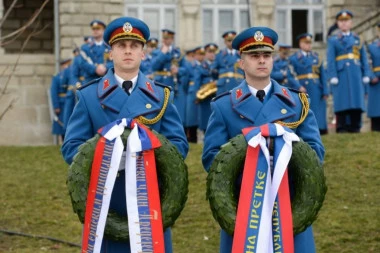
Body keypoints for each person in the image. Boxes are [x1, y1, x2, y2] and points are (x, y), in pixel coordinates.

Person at [61, 16, 188, 253]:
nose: (128, 51)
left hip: (149, 197)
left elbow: (179, 145)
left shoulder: (161, 96)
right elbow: (71, 148)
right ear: (111, 53)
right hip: (107, 200)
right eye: (121, 46)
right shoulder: (90, 96)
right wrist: (108, 157)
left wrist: (148, 155)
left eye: (134, 46)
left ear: (143, 53)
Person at [202, 26, 324, 253]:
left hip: (289, 200)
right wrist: (249, 169)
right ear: (241, 62)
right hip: (244, 202)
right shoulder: (223, 106)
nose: (261, 61)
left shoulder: (297, 102)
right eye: (254, 55)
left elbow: (316, 151)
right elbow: (211, 157)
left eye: (267, 55)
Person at [327, 10, 371, 133]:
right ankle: (342, 127)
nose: (344, 24)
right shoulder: (333, 40)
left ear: (351, 23)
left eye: (346, 21)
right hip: (341, 74)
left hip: (356, 73)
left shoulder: (358, 39)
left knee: (356, 100)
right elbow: (330, 59)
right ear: (338, 23)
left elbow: (364, 59)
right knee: (342, 101)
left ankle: (355, 126)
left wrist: (366, 73)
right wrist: (332, 75)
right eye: (341, 21)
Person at [289, 34, 329, 134]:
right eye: (306, 43)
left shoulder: (316, 57)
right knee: (305, 110)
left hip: (316, 87)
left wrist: (326, 90)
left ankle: (321, 129)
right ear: (300, 44)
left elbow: (323, 75)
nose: (308, 45)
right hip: (303, 87)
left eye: (310, 43)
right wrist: (298, 86)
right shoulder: (294, 58)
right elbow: (290, 75)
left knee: (318, 110)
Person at [211, 31, 244, 95]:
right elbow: (213, 70)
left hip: (238, 84)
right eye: (229, 41)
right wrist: (217, 80)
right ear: (225, 42)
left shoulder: (242, 54)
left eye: (233, 40)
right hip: (223, 85)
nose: (231, 43)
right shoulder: (219, 55)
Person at [195, 43, 218, 133]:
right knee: (205, 118)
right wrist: (197, 96)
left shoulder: (218, 65)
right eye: (210, 52)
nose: (212, 54)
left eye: (214, 52)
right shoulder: (201, 66)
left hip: (216, 94)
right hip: (205, 96)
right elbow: (197, 81)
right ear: (206, 54)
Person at [185, 46, 205, 143]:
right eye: (199, 54)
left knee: (204, 116)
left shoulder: (206, 65)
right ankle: (192, 139)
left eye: (202, 54)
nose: (201, 56)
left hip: (205, 92)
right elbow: (185, 81)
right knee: (192, 117)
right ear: (195, 55)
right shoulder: (190, 66)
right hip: (193, 92)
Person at [50, 58, 72, 141]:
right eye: (66, 64)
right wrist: (56, 106)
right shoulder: (57, 77)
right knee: (62, 125)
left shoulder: (71, 75)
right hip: (62, 103)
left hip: (70, 101)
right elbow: (53, 92)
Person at [366, 23, 380, 131]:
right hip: (376, 81)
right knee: (376, 109)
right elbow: (367, 63)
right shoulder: (371, 47)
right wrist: (371, 76)